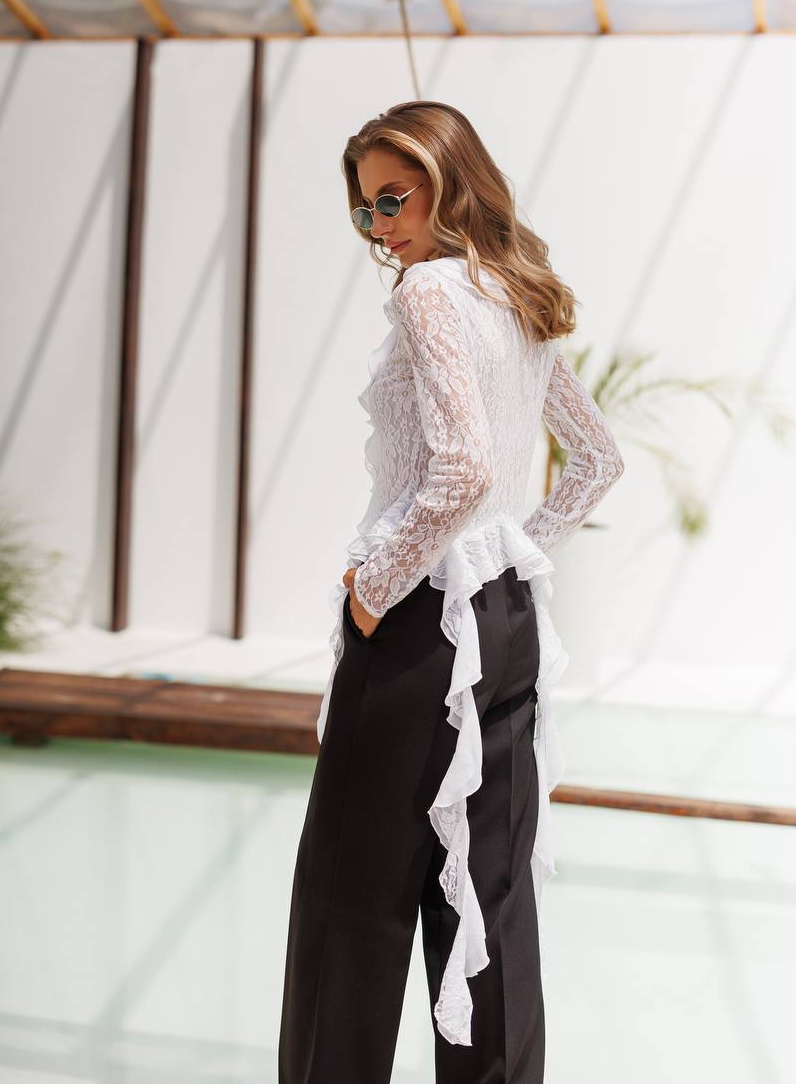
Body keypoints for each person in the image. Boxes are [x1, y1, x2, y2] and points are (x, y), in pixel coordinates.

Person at [278, 100, 625, 1083]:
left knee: (349, 900)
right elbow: (596, 463)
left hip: (423, 625)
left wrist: (373, 586)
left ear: (449, 177)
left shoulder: (432, 290)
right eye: (364, 211)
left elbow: (464, 467)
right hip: (504, 618)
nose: (382, 227)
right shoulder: (516, 292)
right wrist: (519, 551)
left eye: (394, 197)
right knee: (489, 897)